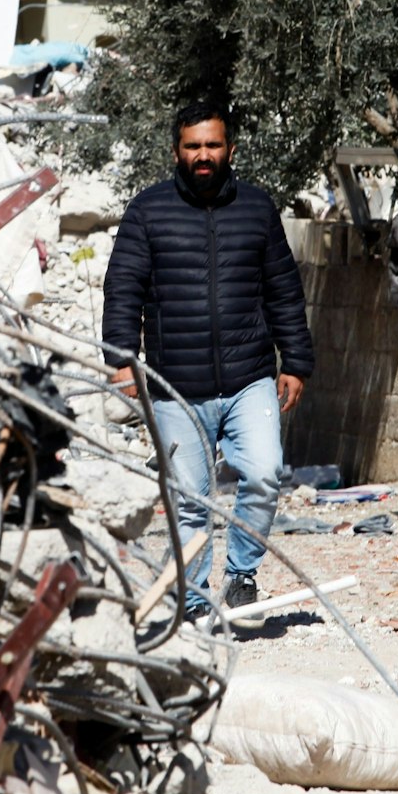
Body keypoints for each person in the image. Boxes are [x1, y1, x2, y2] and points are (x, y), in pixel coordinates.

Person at [103, 100, 315, 624]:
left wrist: (297, 362)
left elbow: (284, 290)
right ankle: (194, 603)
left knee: (266, 474)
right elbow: (122, 288)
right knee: (190, 502)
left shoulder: (257, 209)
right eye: (193, 146)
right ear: (177, 150)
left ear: (230, 149)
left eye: (213, 145)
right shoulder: (147, 212)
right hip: (177, 386)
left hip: (249, 379)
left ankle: (242, 576)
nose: (203, 155)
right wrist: (122, 358)